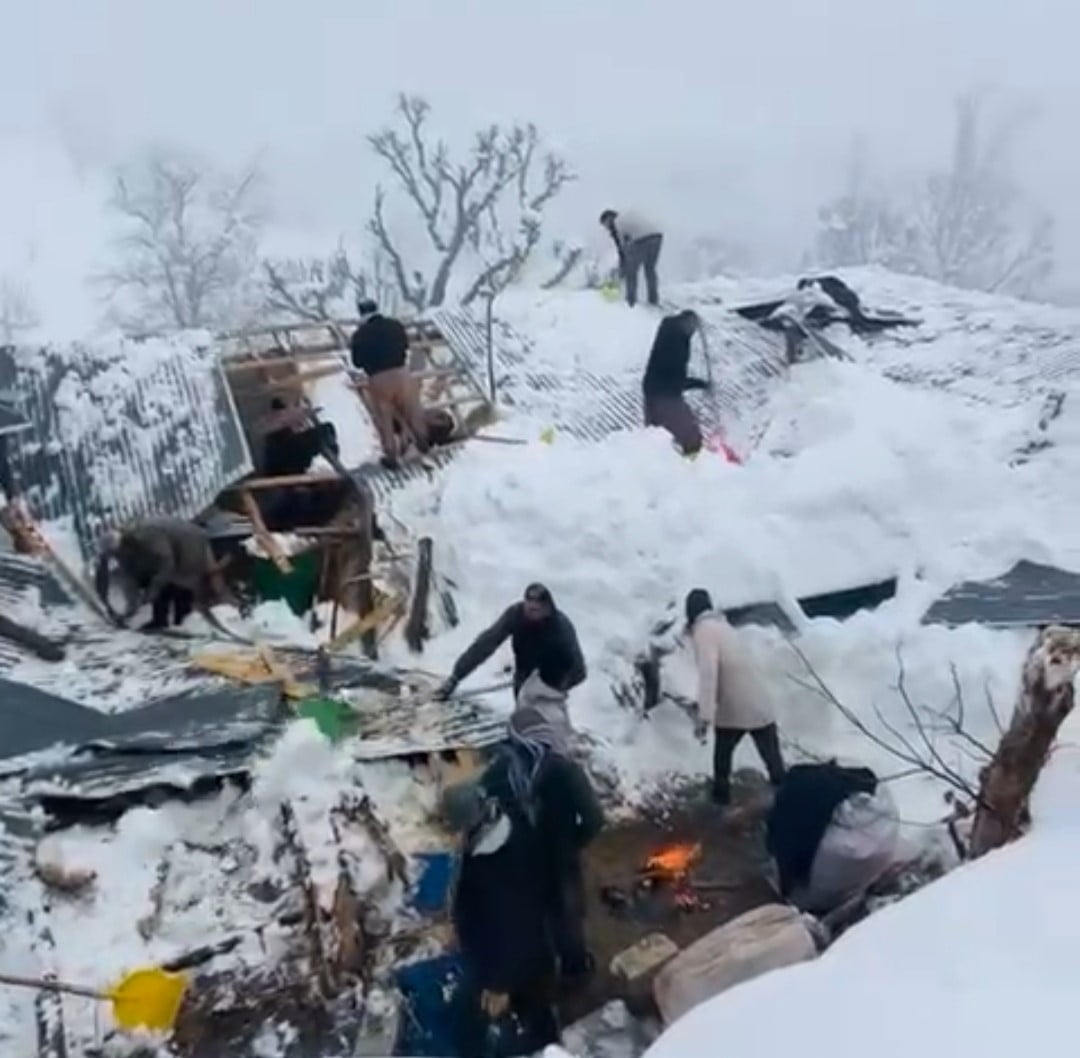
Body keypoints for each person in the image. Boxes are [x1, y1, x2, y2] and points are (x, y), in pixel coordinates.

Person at [443, 773, 561, 1056]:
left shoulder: (495, 870)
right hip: (508, 955)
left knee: (530, 1027)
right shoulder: (505, 824)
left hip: (521, 965)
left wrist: (501, 984)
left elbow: (518, 928)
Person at [505, 668, 604, 982]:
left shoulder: (506, 771)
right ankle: (575, 968)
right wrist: (575, 840)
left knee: (532, 913)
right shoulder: (566, 771)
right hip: (561, 855)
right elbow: (594, 817)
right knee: (566, 913)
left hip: (522, 857)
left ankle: (538, 968)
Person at [685, 588, 785, 806]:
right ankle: (787, 800)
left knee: (722, 758)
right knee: (773, 761)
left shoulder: (703, 632)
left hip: (735, 707)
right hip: (760, 701)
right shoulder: (724, 626)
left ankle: (720, 802)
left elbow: (709, 673)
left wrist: (705, 716)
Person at [436, 583, 586, 701]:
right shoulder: (516, 615)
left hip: (553, 681)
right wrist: (455, 677)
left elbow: (578, 670)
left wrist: (555, 688)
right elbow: (485, 644)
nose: (531, 611)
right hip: (524, 674)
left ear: (547, 609)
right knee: (523, 713)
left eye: (536, 609)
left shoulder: (561, 628)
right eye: (529, 606)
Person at [95, 518, 229, 631]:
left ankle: (183, 620)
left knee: (179, 581)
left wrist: (151, 592)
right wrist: (130, 608)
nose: (116, 558)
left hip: (189, 541)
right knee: (159, 581)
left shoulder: (147, 537)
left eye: (115, 554)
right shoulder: (124, 550)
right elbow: (129, 579)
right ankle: (161, 620)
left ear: (124, 545)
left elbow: (166, 565)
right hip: (168, 548)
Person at [349, 298, 429, 468]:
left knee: (385, 418)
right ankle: (423, 441)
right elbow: (405, 345)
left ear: (361, 312)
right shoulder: (395, 325)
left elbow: (357, 362)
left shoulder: (359, 335)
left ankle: (391, 454)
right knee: (411, 410)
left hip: (378, 378)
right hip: (401, 372)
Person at [642, 310, 709, 455]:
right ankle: (693, 464)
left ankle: (658, 461)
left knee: (656, 432)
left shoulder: (670, 330)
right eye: (693, 328)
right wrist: (699, 384)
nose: (693, 332)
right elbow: (676, 379)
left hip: (652, 388)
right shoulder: (676, 345)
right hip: (666, 394)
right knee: (691, 435)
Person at [600, 208, 664, 307]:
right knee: (650, 270)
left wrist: (622, 270)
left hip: (642, 239)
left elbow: (623, 250)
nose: (606, 228)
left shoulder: (617, 224)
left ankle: (631, 302)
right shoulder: (627, 218)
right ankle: (653, 300)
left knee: (631, 272)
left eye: (604, 224)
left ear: (609, 218)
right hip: (657, 237)